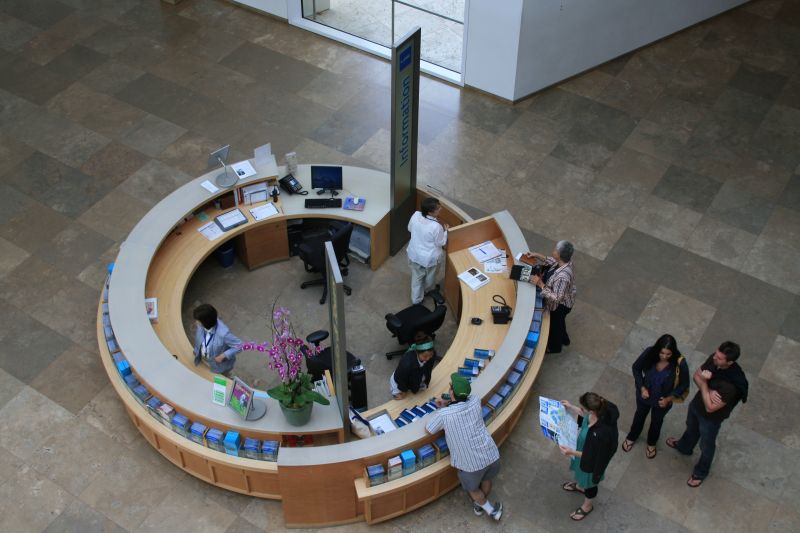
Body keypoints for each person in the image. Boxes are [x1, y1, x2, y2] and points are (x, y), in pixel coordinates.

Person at [667, 341, 748, 487]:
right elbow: (696, 376)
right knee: (690, 428)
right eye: (716, 354)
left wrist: (704, 383)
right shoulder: (714, 358)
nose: (714, 358)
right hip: (696, 405)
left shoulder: (730, 387)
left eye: (719, 358)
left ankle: (701, 471)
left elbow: (710, 407)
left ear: (729, 362)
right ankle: (684, 447)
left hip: (711, 419)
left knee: (706, 444)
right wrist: (709, 390)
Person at [426, 373, 503, 521]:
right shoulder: (475, 401)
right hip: (490, 454)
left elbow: (430, 428)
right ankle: (478, 506)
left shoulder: (444, 414)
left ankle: (490, 510)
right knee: (486, 480)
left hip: (470, 464)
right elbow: (462, 401)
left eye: (450, 387)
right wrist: (449, 403)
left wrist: (441, 407)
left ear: (451, 392)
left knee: (473, 489)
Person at [622, 334, 690, 459]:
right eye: (662, 353)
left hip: (663, 401)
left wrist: (668, 399)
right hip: (644, 396)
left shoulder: (680, 363)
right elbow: (636, 368)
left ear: (673, 352)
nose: (664, 357)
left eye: (668, 354)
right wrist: (642, 387)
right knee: (639, 416)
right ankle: (632, 436)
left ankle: (651, 443)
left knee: (656, 422)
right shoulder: (650, 353)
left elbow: (684, 384)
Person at [559, 392, 619, 521]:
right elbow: (584, 414)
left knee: (590, 484)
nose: (584, 411)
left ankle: (587, 506)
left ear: (592, 410)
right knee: (582, 475)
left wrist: (571, 452)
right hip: (583, 453)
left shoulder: (601, 434)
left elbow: (591, 457)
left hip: (591, 463)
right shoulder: (599, 410)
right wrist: (571, 407)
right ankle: (581, 486)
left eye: (585, 408)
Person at [523, 240, 576, 353]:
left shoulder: (563, 277)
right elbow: (553, 262)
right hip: (563, 302)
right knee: (560, 323)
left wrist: (540, 284)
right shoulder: (565, 262)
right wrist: (536, 255)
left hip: (560, 306)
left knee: (555, 326)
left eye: (556, 249)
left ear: (559, 254)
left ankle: (554, 347)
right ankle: (565, 339)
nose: (554, 250)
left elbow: (557, 298)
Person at [407, 197, 448, 304]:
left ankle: (416, 300)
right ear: (430, 212)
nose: (441, 209)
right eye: (438, 208)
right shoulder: (436, 227)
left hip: (414, 254)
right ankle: (428, 290)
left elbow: (409, 228)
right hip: (429, 259)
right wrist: (446, 232)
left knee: (416, 278)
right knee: (430, 277)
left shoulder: (416, 215)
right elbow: (441, 243)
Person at [192, 304, 242, 376]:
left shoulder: (224, 334)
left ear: (205, 322)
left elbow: (240, 345)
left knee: (222, 377)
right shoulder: (201, 326)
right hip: (206, 358)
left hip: (219, 366)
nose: (196, 322)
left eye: (198, 321)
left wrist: (223, 355)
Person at [389, 333, 435, 400]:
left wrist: (426, 382)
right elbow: (400, 379)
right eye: (425, 356)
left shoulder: (432, 355)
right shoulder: (406, 364)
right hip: (400, 381)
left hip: (415, 378)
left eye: (430, 355)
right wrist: (404, 391)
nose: (428, 359)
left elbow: (428, 369)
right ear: (417, 352)